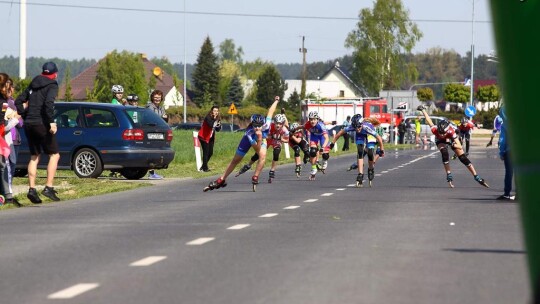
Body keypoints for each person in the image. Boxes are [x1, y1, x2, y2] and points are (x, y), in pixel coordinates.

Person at [205, 96, 280, 191]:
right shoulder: (248, 133)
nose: (257, 128)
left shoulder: (267, 124)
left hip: (262, 139)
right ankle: (221, 179)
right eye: (255, 126)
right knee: (236, 160)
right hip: (250, 140)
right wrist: (259, 138)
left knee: (263, 156)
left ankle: (255, 176)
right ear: (251, 124)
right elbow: (256, 149)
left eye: (259, 126)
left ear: (263, 124)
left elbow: (270, 111)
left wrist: (276, 101)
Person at [15, 62, 62, 203]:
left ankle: (32, 189)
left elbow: (18, 101)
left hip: (29, 124)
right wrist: (52, 122)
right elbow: (49, 104)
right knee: (55, 155)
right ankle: (48, 187)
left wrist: (25, 115)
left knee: (34, 156)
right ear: (55, 74)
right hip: (41, 123)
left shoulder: (33, 83)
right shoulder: (52, 85)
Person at [417, 105, 489, 188]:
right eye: (440, 133)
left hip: (451, 139)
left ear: (447, 131)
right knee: (444, 153)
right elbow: (429, 120)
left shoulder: (451, 131)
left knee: (462, 158)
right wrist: (423, 110)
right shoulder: (435, 130)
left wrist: (451, 144)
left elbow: (460, 146)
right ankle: (449, 174)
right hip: (440, 141)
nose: (442, 134)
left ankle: (476, 176)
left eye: (443, 133)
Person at [330, 114, 385, 187]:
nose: (357, 129)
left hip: (369, 134)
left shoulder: (367, 127)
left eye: (359, 127)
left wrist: (381, 149)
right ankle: (360, 174)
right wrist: (332, 143)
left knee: (370, 153)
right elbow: (340, 133)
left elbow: (379, 138)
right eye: (355, 128)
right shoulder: (353, 127)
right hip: (360, 136)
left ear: (362, 124)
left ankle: (371, 169)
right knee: (360, 151)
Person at [0, 73, 21, 207]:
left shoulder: (5, 102)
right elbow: (3, 126)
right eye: (8, 85)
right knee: (6, 166)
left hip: (7, 138)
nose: (10, 88)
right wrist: (15, 119)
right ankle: (8, 196)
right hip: (4, 140)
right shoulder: (4, 103)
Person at [146, 90, 168, 179]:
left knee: (156, 153)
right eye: (155, 97)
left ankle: (153, 171)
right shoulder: (149, 107)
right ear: (152, 98)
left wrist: (165, 118)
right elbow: (152, 119)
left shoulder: (161, 108)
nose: (157, 99)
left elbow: (164, 120)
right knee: (151, 153)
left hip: (158, 132)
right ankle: (150, 173)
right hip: (151, 132)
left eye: (159, 98)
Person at [303, 111, 330, 180]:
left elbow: (327, 138)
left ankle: (324, 161)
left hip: (322, 137)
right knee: (312, 152)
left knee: (325, 155)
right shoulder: (308, 124)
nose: (312, 121)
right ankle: (314, 168)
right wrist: (294, 129)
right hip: (314, 136)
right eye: (311, 119)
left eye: (314, 119)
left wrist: (323, 147)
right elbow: (302, 126)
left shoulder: (321, 126)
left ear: (317, 120)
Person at [497, 106, 515, 200]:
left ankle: (507, 193)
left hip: (510, 151)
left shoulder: (505, 125)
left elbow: (503, 140)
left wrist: (501, 152)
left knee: (509, 172)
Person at [198, 105, 221, 172]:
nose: (216, 112)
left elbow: (217, 129)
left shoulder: (218, 118)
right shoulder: (208, 117)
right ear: (211, 111)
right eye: (214, 111)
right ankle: (205, 168)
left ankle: (203, 166)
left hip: (210, 137)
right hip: (203, 137)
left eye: (217, 111)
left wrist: (219, 125)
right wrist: (215, 119)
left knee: (210, 153)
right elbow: (211, 125)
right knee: (206, 152)